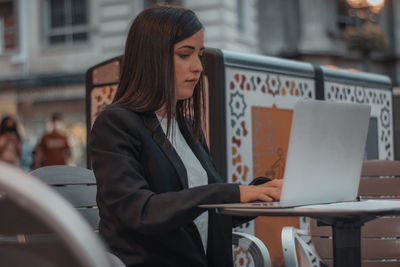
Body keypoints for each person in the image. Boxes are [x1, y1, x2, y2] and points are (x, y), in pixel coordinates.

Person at [90, 4, 282, 267]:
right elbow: (141, 211)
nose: (198, 67)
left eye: (200, 55)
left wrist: (261, 192)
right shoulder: (115, 124)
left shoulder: (186, 127)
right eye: (185, 55)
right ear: (151, 57)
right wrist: (230, 193)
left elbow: (206, 213)